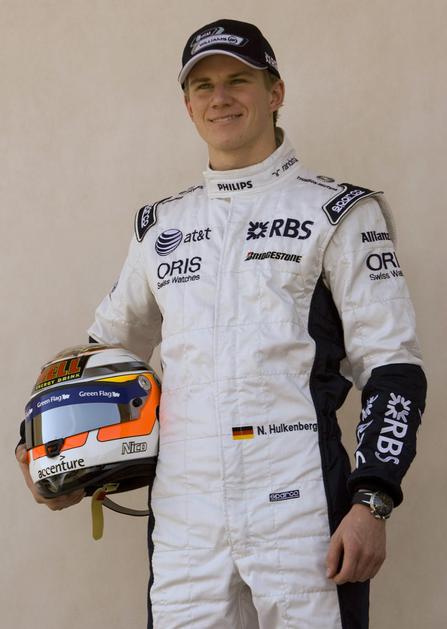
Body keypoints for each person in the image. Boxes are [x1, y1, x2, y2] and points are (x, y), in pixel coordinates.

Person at [17, 18, 427, 629]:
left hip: (299, 499)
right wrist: (45, 454)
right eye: (203, 86)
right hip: (185, 510)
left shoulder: (339, 211)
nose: (221, 98)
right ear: (188, 105)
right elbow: (99, 359)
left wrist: (374, 500)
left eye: (239, 80)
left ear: (275, 92)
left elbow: (394, 368)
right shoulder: (160, 226)